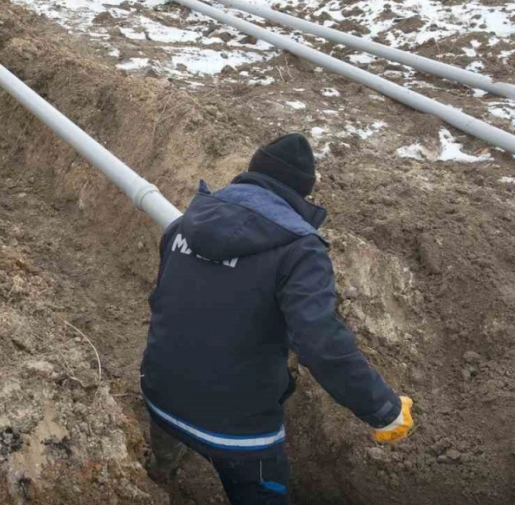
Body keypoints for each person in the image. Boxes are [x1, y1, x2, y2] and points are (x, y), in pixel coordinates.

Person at [140, 133, 415, 505]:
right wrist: (384, 409)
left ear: (252, 172)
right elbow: (319, 341)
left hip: (159, 397)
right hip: (237, 432)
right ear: (303, 193)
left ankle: (161, 473)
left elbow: (163, 302)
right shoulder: (299, 251)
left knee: (172, 441)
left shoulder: (184, 224)